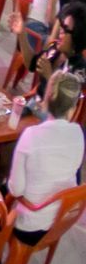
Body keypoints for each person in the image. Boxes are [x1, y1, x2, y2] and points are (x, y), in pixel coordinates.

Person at [7, 71, 84, 246]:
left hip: (30, 225)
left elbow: (16, 190)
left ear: (46, 100)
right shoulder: (79, 134)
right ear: (74, 107)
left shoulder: (31, 135)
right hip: (60, 221)